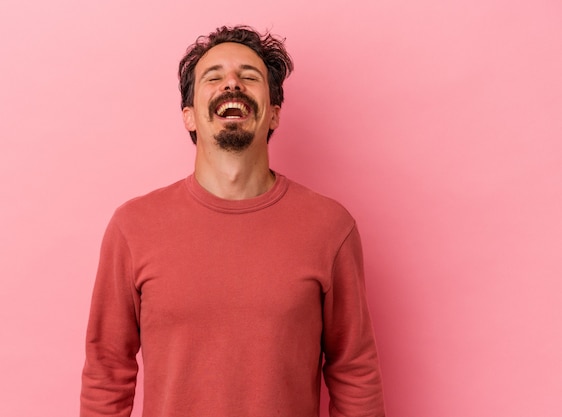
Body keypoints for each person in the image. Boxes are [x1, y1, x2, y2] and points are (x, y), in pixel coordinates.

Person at [80, 25, 385, 417]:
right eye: (214, 76)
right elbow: (107, 369)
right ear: (188, 116)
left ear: (273, 114)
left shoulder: (331, 228)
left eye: (249, 76)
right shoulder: (132, 228)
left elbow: (354, 372)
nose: (232, 83)